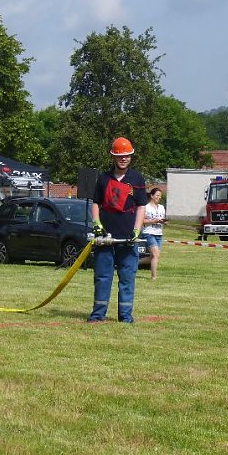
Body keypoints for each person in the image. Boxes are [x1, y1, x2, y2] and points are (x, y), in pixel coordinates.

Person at [88, 137, 148, 323]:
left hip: (128, 239)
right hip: (106, 238)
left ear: (131, 157)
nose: (123, 159)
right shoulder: (104, 179)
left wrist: (137, 230)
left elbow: (141, 206)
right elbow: (96, 203)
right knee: (103, 277)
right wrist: (96, 223)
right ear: (113, 157)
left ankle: (125, 316)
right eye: (119, 156)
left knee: (127, 278)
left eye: (127, 156)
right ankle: (98, 315)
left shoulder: (137, 179)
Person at [142, 187, 166, 281]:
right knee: (155, 255)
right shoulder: (146, 207)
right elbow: (142, 220)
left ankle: (135, 263)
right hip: (148, 233)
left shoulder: (161, 207)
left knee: (153, 257)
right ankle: (154, 277)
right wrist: (153, 221)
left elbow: (162, 218)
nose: (159, 197)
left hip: (159, 233)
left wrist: (163, 222)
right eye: (157, 195)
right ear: (152, 196)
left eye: (160, 196)